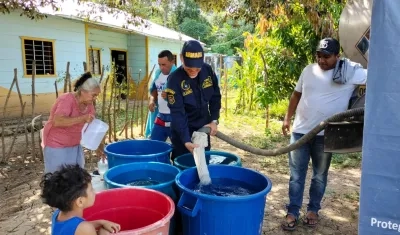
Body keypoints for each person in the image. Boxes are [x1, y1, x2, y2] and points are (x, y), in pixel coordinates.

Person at [280, 38, 367, 230]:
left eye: (327, 57)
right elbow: (296, 94)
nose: (321, 60)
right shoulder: (308, 71)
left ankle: (313, 210)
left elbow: (377, 77)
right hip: (300, 132)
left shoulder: (349, 73)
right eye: (318, 56)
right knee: (296, 175)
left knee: (319, 175)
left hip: (327, 134)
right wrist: (287, 118)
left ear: (338, 56)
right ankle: (292, 211)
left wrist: (355, 63)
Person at [165, 40, 222, 160]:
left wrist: (214, 120)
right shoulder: (174, 80)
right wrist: (186, 140)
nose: (193, 71)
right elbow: (178, 113)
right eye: (189, 68)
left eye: (197, 68)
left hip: (203, 128)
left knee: (203, 164)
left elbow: (215, 97)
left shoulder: (207, 71)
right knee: (184, 165)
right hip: (182, 132)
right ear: (181, 58)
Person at [42, 72, 105, 173]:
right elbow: (57, 121)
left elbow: (89, 130)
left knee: (76, 177)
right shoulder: (67, 99)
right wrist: (82, 118)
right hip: (57, 144)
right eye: (93, 95)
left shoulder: (89, 106)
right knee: (57, 178)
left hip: (75, 144)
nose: (95, 98)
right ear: (83, 91)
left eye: (96, 96)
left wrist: (97, 147)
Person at [40, 164, 120, 235]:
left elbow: (75, 227)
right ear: (80, 201)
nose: (94, 192)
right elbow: (83, 228)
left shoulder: (57, 214)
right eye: (91, 189)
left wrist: (101, 222)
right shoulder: (85, 229)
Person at [145, 50, 177, 141]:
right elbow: (154, 89)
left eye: (164, 65)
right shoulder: (158, 73)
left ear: (172, 62)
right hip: (160, 116)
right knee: (154, 145)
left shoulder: (179, 75)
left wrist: (170, 97)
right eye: (160, 64)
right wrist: (152, 100)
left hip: (175, 117)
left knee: (178, 148)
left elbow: (186, 96)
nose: (162, 67)